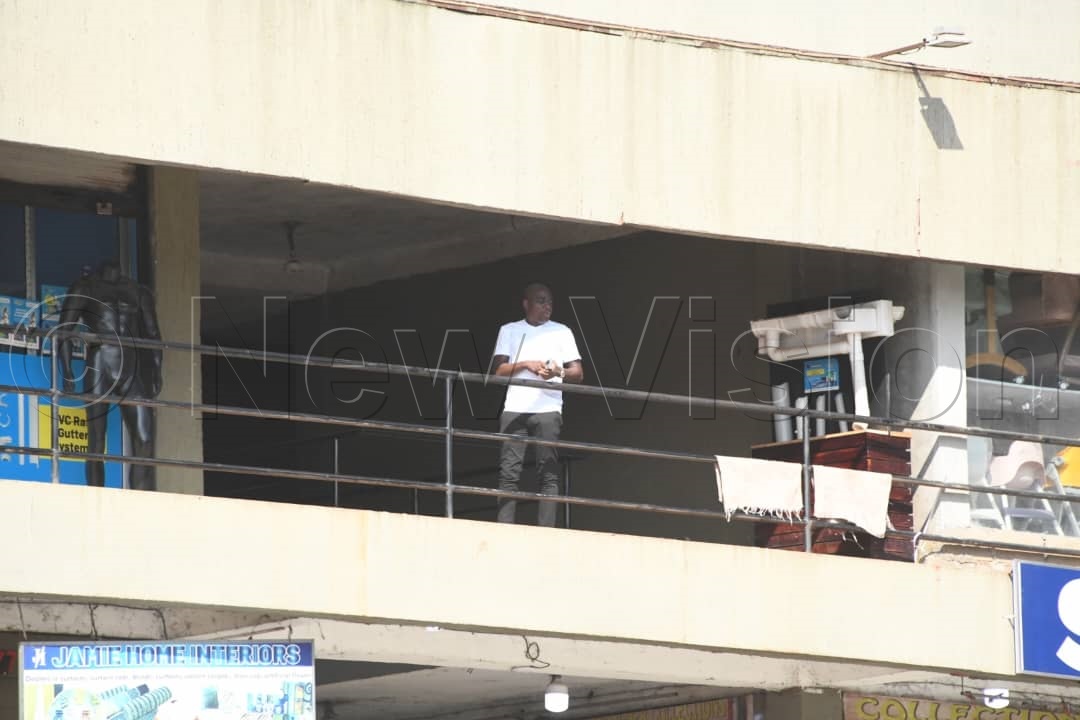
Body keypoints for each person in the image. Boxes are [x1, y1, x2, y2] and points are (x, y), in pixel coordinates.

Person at [58, 260, 162, 490]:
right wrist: (65, 370)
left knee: (144, 439)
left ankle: (139, 499)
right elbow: (65, 329)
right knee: (96, 440)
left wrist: (156, 368)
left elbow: (153, 333)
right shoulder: (85, 287)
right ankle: (97, 495)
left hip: (130, 365)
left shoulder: (138, 291)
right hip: (99, 363)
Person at [491, 282, 584, 526]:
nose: (547, 306)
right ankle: (505, 529)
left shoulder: (562, 331)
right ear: (526, 304)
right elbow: (498, 372)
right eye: (541, 301)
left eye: (550, 302)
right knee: (509, 472)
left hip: (548, 410)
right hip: (515, 408)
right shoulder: (509, 330)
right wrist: (526, 364)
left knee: (548, 474)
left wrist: (556, 372)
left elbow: (578, 373)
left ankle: (546, 531)